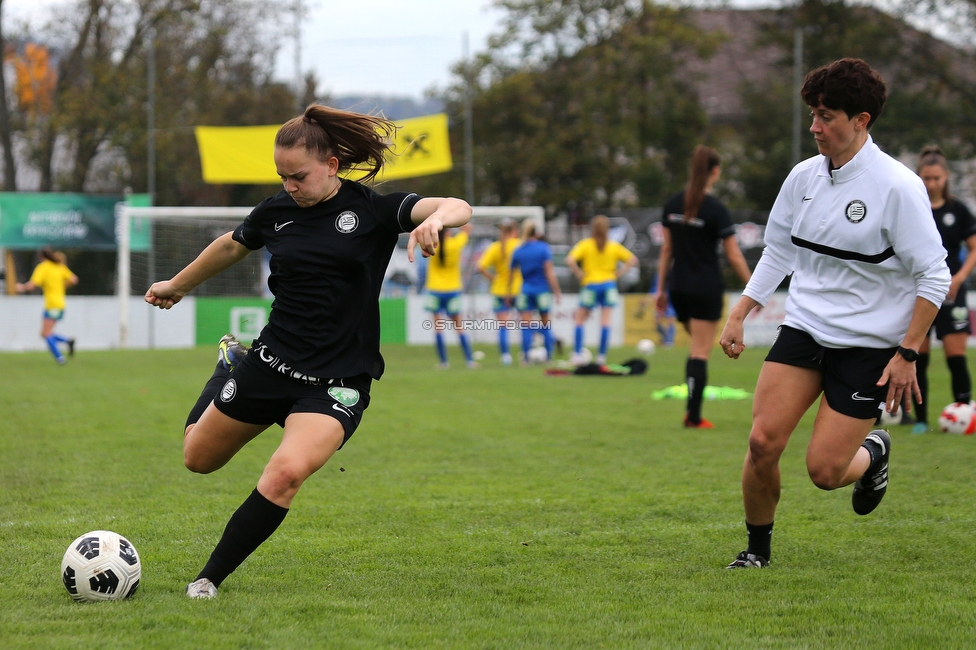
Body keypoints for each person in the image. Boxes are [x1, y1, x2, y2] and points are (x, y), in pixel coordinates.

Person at [144, 104, 471, 598]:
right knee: (197, 459)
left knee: (285, 474)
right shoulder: (277, 212)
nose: (289, 186)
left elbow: (456, 205)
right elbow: (233, 245)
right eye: (282, 176)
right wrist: (177, 284)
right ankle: (230, 363)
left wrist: (438, 220)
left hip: (337, 382)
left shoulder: (373, 210)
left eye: (298, 176)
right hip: (270, 365)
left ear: (331, 166)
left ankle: (207, 580)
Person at [719, 58, 950, 568]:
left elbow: (934, 277)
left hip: (869, 346)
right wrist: (741, 312)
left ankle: (875, 452)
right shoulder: (802, 178)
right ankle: (757, 552)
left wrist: (908, 352)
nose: (814, 127)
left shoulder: (898, 187)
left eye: (826, 116)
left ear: (862, 120)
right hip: (804, 328)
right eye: (812, 114)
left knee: (825, 472)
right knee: (761, 442)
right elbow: (778, 251)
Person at [655, 145, 752, 428]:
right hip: (705, 287)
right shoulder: (715, 209)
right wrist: (754, 286)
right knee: (700, 352)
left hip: (678, 288)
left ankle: (691, 411)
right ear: (715, 172)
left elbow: (666, 251)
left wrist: (660, 290)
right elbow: (733, 254)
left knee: (694, 349)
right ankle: (694, 417)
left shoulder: (672, 204)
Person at [909, 146, 976, 434]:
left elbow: (974, 249)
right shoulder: (913, 207)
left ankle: (966, 414)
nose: (931, 183)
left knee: (955, 356)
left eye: (936, 178)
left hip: (952, 292)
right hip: (920, 292)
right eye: (926, 177)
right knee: (917, 356)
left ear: (946, 177)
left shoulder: (958, 210)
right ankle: (921, 420)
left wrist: (959, 278)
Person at [566, 215, 638, 365]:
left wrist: (579, 273)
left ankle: (578, 354)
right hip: (608, 285)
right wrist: (619, 273)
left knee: (579, 320)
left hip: (590, 285)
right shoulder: (613, 246)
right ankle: (601, 356)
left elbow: (570, 259)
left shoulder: (586, 245)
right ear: (607, 229)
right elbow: (632, 260)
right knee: (605, 322)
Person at [425, 222, 476, 368]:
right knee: (459, 326)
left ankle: (443, 362)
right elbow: (467, 231)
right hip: (452, 290)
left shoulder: (433, 245)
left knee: (438, 327)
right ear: (448, 233)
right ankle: (469, 360)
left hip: (434, 289)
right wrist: (463, 227)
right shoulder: (455, 244)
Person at [509, 219, 562, 362]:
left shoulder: (519, 250)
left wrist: (508, 293)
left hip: (525, 290)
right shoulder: (543, 248)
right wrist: (557, 291)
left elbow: (511, 274)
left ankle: (525, 357)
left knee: (526, 325)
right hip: (542, 290)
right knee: (545, 324)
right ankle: (549, 356)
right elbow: (549, 272)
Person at [15, 247, 78, 364]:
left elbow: (32, 285)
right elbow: (74, 279)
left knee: (46, 333)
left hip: (52, 304)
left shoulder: (43, 267)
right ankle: (68, 341)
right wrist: (63, 285)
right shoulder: (59, 266)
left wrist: (21, 287)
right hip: (60, 303)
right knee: (44, 333)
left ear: (41, 257)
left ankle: (60, 358)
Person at [477, 219, 522, 365]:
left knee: (503, 326)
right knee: (526, 323)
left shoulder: (495, 247)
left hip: (499, 290)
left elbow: (480, 266)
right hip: (518, 289)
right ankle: (526, 353)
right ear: (514, 231)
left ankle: (505, 356)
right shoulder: (518, 245)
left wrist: (492, 278)